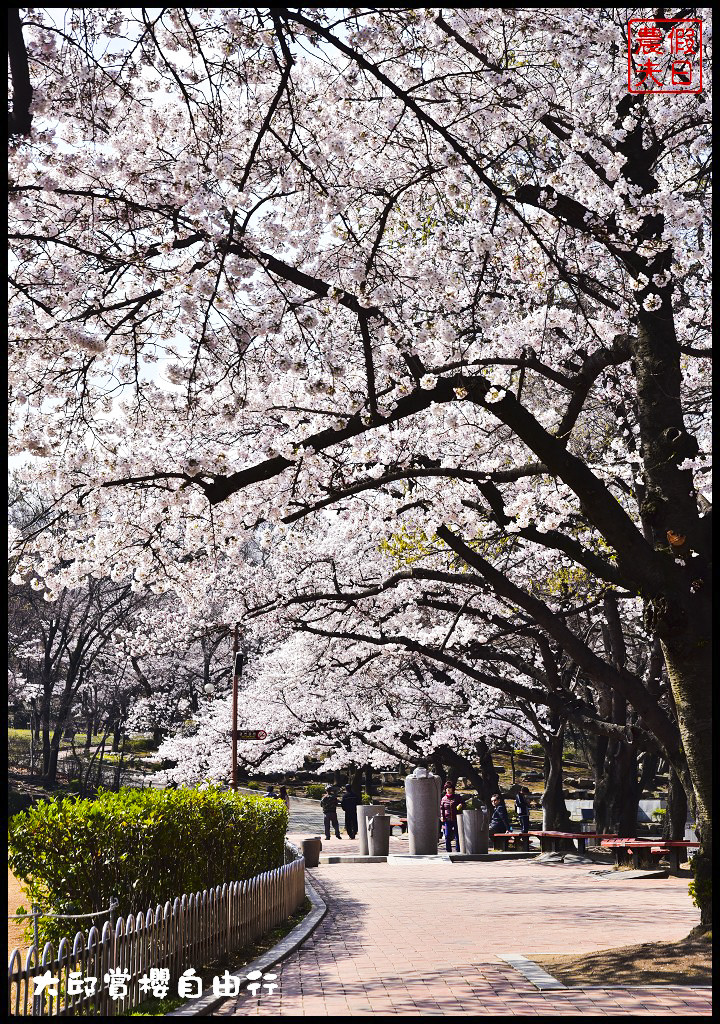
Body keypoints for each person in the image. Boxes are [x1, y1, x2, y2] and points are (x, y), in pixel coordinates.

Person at [440, 781, 464, 852]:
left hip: (457, 818)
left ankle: (458, 849)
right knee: (447, 835)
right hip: (447, 819)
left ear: (452, 789)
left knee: (457, 835)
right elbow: (442, 808)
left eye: (449, 788)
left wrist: (461, 805)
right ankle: (448, 850)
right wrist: (442, 816)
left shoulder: (457, 797)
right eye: (447, 788)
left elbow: (463, 803)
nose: (448, 789)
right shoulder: (444, 799)